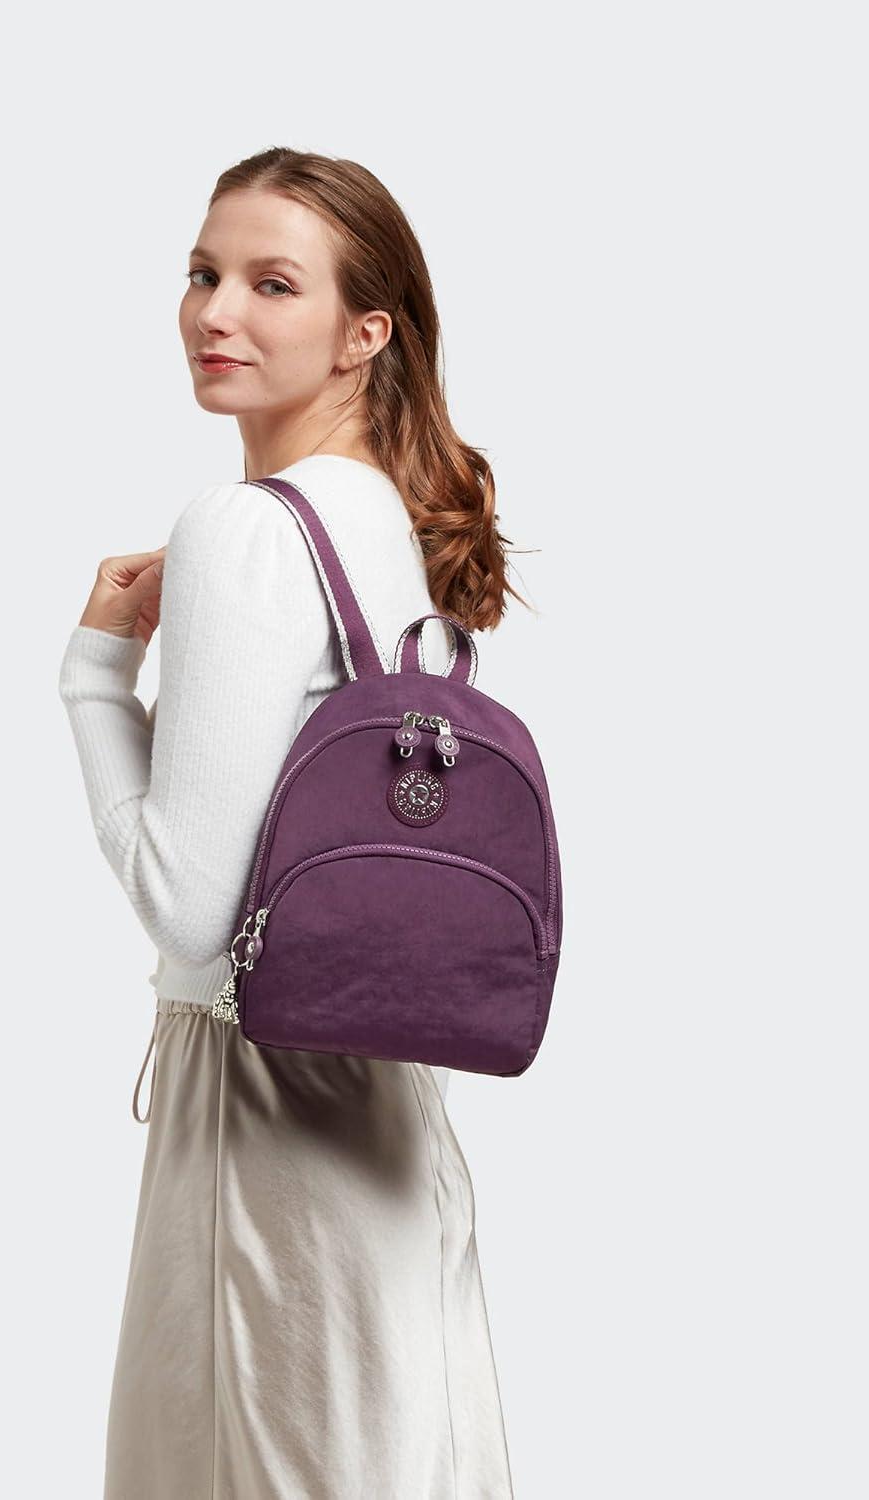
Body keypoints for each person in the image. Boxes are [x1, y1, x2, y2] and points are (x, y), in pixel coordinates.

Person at [58, 147, 531, 1499]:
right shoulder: (378, 518)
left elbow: (189, 905)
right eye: (203, 274)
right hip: (382, 1110)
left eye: (273, 284)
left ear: (362, 333)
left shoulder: (247, 530)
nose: (216, 313)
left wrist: (93, 677)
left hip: (261, 1121)